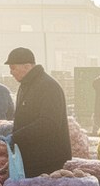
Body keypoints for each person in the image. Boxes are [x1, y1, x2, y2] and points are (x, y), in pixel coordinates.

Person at [6, 47, 72, 177]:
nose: (11, 72)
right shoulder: (25, 86)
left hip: (48, 161)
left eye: (13, 68)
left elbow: (48, 123)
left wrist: (16, 137)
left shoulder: (48, 86)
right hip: (31, 157)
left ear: (26, 66)